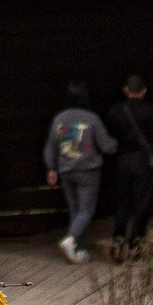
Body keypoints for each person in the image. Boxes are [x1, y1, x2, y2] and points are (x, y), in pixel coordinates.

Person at [42, 78, 115, 264]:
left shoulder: (59, 119)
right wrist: (116, 143)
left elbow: (51, 146)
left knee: (74, 210)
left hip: (66, 170)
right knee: (87, 210)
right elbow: (106, 146)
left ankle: (79, 250)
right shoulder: (92, 119)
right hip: (88, 171)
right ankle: (71, 239)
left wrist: (51, 167)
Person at [104, 74, 153, 257]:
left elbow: (108, 136)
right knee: (141, 203)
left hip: (122, 161)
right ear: (144, 91)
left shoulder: (116, 111)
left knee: (122, 202)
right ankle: (135, 246)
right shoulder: (150, 112)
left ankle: (117, 241)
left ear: (125, 90)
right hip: (142, 162)